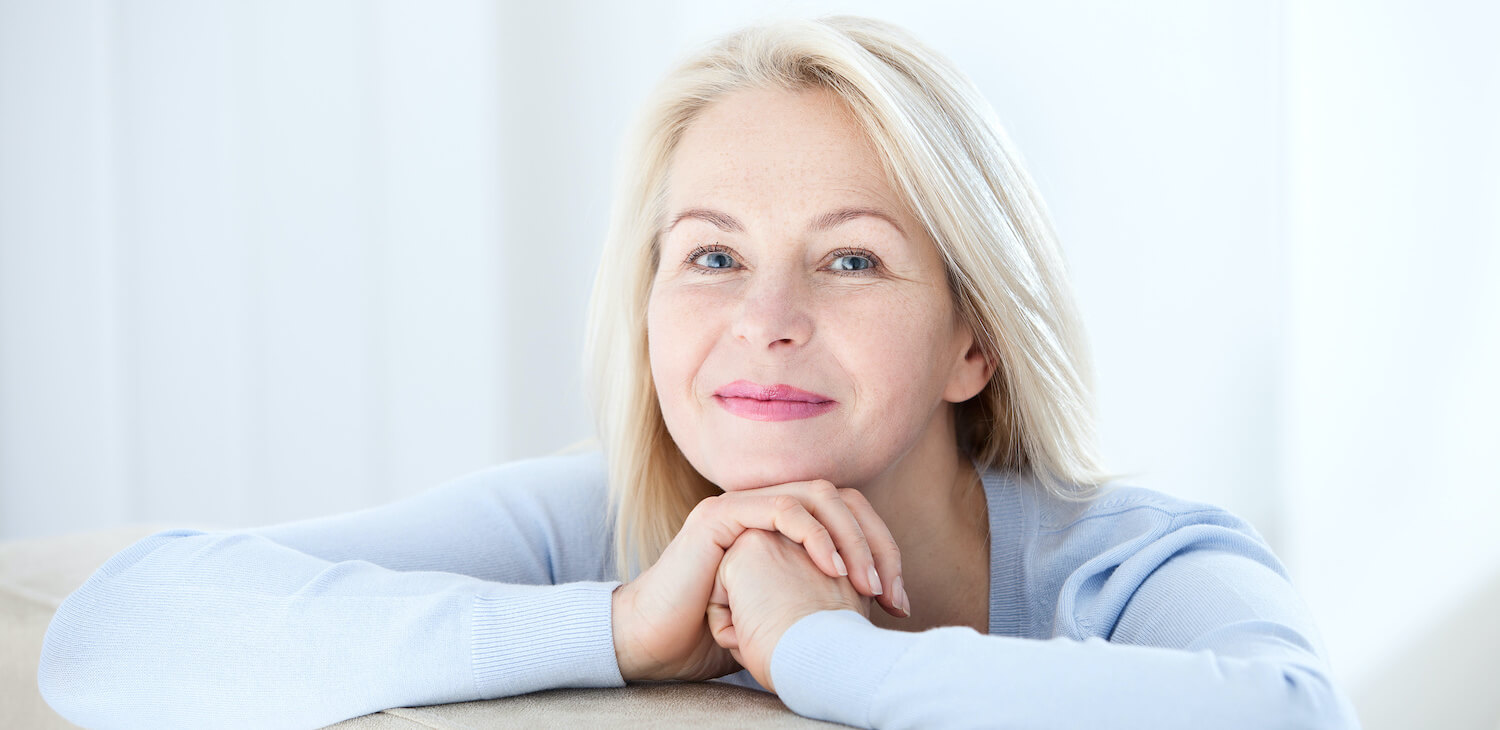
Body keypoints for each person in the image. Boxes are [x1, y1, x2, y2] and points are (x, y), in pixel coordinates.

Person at [38, 14, 1360, 729]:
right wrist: (620, 626)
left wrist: (818, 651)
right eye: (713, 256)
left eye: (849, 260)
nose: (764, 320)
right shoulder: (595, 521)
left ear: (975, 340)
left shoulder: (1130, 563)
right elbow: (116, 635)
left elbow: (1299, 716)